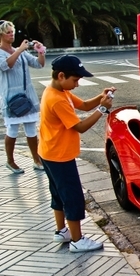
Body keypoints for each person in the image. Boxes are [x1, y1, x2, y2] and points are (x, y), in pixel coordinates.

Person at [38, 55, 115, 253]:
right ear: (61, 75)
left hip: (49, 153)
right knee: (72, 197)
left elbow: (84, 105)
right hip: (60, 157)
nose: (77, 84)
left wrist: (100, 96)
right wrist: (103, 109)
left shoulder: (59, 90)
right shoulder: (57, 99)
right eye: (75, 80)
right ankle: (77, 240)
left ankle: (61, 231)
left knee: (58, 193)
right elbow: (80, 127)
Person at [0, 20, 46, 173]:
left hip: (27, 97)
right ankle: (10, 161)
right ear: (1, 35)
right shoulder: (2, 52)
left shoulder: (21, 51)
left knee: (31, 128)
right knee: (12, 129)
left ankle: (36, 160)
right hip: (11, 98)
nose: (11, 34)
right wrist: (19, 50)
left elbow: (39, 64)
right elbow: (6, 65)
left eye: (12, 31)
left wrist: (40, 52)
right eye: (8, 32)